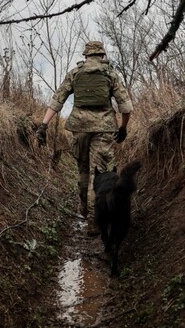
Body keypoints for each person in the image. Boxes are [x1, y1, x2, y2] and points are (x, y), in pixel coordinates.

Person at [35, 40, 133, 236]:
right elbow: (126, 106)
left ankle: (83, 209)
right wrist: (123, 128)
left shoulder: (75, 73)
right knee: (99, 174)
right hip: (104, 128)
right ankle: (94, 222)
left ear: (85, 56)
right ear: (102, 55)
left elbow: (58, 100)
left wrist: (44, 125)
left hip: (79, 128)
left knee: (83, 171)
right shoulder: (110, 74)